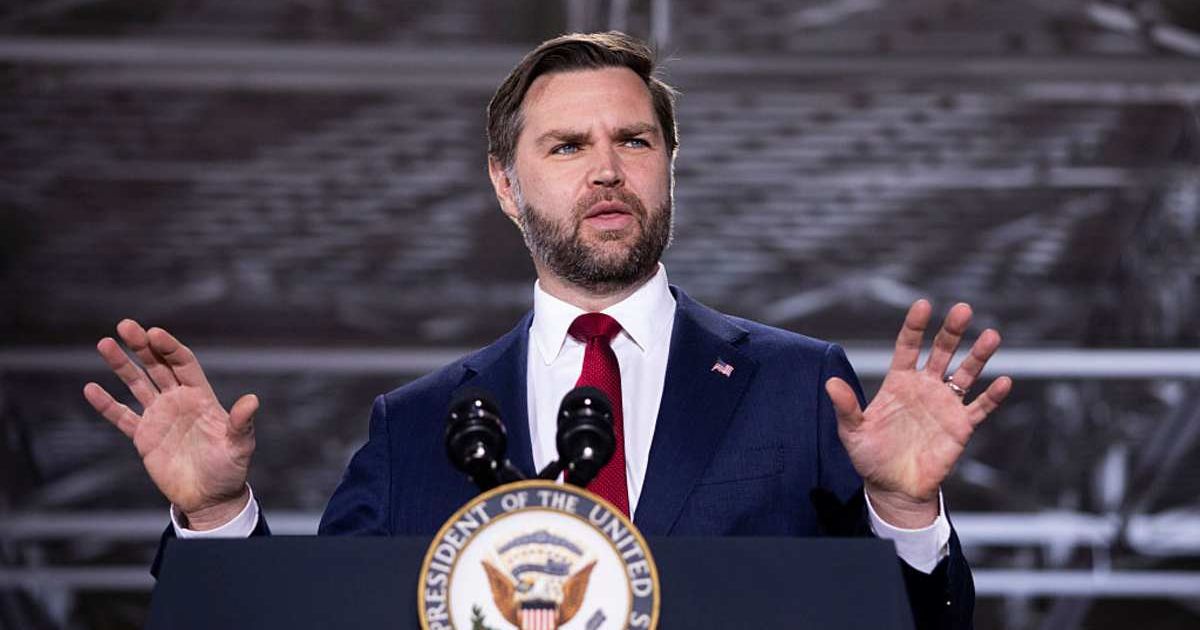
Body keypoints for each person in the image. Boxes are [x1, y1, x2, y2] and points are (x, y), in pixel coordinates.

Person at [83, 32, 1011, 629]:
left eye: (634, 142)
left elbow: (912, 624)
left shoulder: (799, 385)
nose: (606, 171)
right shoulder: (414, 426)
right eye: (567, 146)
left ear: (670, 167)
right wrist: (212, 518)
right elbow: (320, 619)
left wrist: (903, 513)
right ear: (505, 184)